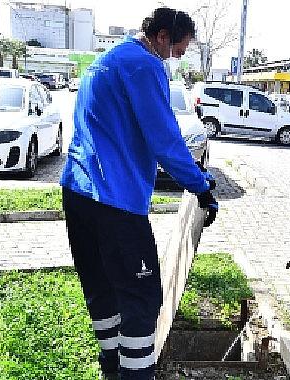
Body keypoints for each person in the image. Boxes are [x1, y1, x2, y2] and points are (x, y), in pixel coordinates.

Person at [59, 7, 218, 380]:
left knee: (103, 290)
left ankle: (112, 368)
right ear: (162, 36)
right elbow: (164, 139)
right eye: (179, 46)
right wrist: (201, 186)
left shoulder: (106, 60)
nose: (179, 55)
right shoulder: (144, 66)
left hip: (78, 192)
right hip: (115, 200)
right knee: (142, 299)